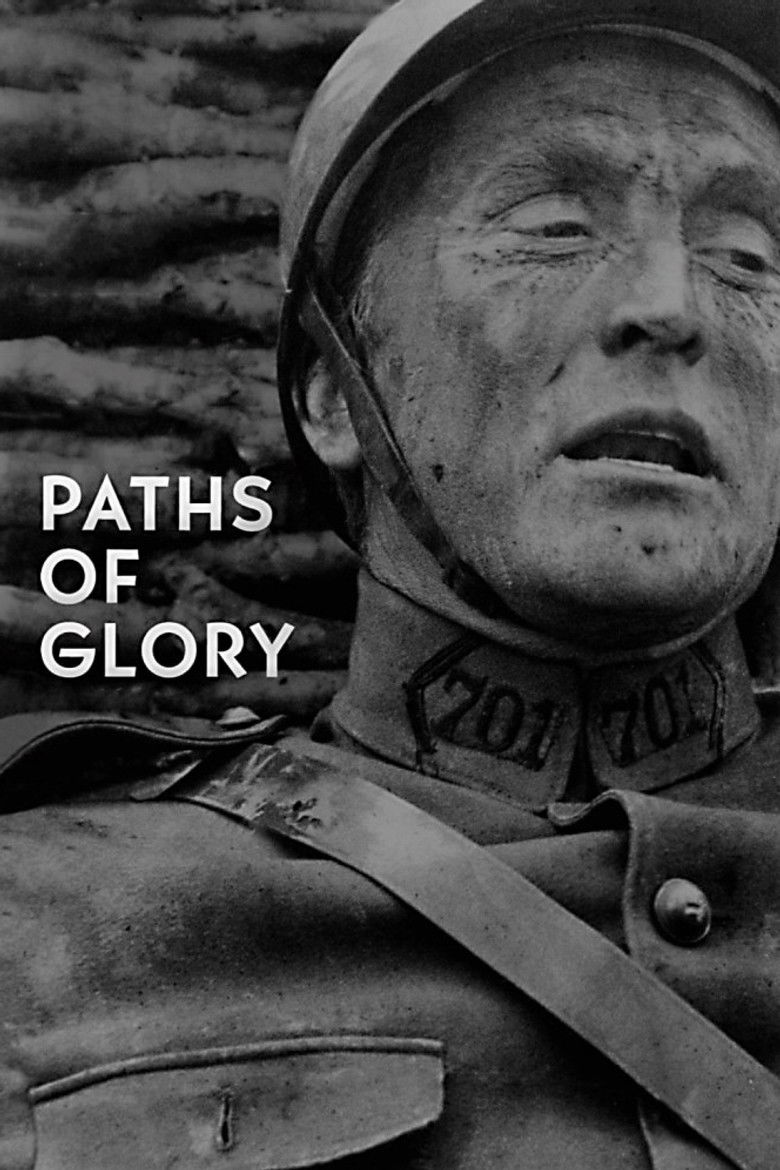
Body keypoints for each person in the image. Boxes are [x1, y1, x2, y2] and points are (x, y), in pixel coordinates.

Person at [1, 1, 779, 1166]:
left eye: (750, 257)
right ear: (331, 391)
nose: (669, 305)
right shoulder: (39, 921)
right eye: (554, 226)